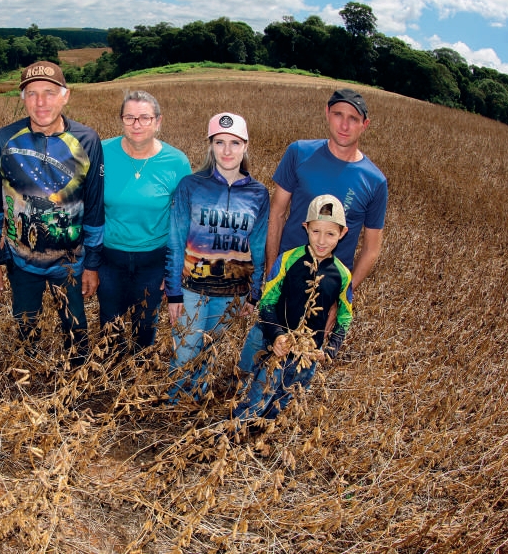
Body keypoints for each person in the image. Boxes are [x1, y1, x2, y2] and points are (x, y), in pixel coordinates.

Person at [235, 88, 387, 376]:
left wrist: (341, 296)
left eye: (353, 119)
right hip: (285, 276)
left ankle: (276, 413)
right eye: (338, 115)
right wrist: (271, 270)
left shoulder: (375, 180)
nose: (344, 125)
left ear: (365, 125)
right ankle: (238, 400)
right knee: (256, 352)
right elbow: (277, 213)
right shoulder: (299, 152)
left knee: (296, 371)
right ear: (327, 114)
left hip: (325, 290)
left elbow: (371, 248)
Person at [0, 61, 104, 367]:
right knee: (25, 325)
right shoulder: (3, 140)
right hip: (20, 260)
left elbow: (94, 209)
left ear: (66, 96)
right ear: (22, 98)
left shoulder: (87, 140)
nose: (41, 102)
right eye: (32, 93)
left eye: (50, 93)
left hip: (71, 262)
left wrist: (92, 264)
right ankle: (31, 375)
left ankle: (78, 377)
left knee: (76, 329)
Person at [165, 112, 269, 402]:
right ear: (210, 145)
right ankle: (174, 406)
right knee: (186, 351)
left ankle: (195, 401)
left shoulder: (258, 193)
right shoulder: (191, 185)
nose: (227, 150)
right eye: (219, 142)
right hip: (191, 289)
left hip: (232, 292)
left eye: (235, 143)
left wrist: (255, 293)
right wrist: (173, 293)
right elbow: (175, 241)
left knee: (209, 350)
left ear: (245, 146)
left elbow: (259, 247)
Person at [233, 195, 353, 420]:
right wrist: (277, 336)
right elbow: (268, 301)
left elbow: (345, 317)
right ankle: (230, 439)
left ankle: (259, 442)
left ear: (342, 233)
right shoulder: (287, 260)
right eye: (316, 231)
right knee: (255, 399)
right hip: (274, 342)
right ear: (306, 227)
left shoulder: (343, 275)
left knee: (282, 403)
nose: (322, 240)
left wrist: (329, 351)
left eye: (330, 234)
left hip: (306, 354)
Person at [97, 90, 191, 353]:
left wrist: (174, 269)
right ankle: (110, 382)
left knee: (145, 328)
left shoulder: (177, 162)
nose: (136, 124)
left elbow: (183, 219)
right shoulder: (101, 152)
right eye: (129, 118)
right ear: (121, 120)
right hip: (109, 258)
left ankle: (138, 374)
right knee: (109, 327)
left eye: (145, 118)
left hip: (153, 260)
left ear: (158, 121)